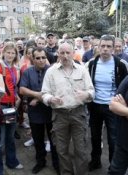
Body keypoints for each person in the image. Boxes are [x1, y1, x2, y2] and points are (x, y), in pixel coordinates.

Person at [42, 42, 95, 175]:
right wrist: (50, 99)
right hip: (59, 115)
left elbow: (92, 91)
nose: (65, 56)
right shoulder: (51, 71)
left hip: (78, 113)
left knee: (80, 149)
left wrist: (86, 94)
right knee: (62, 150)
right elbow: (44, 93)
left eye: (68, 52)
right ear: (58, 54)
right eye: (62, 53)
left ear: (73, 53)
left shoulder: (82, 70)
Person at [87, 35, 128, 172]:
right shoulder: (92, 63)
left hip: (113, 107)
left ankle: (113, 164)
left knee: (113, 138)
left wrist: (122, 104)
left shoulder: (121, 64)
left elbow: (127, 85)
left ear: (113, 48)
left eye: (108, 46)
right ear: (98, 47)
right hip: (94, 105)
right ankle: (95, 161)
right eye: (102, 46)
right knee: (94, 135)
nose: (105, 49)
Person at [20, 47, 59, 174]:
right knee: (38, 139)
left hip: (51, 111)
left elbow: (56, 90)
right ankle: (40, 162)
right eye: (38, 58)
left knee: (54, 139)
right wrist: (39, 95)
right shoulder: (27, 72)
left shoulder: (53, 71)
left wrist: (37, 99)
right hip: (35, 112)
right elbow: (22, 90)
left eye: (43, 57)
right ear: (33, 59)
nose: (41, 60)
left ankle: (56, 163)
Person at [0, 43, 23, 175]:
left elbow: (12, 86)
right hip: (0, 107)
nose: (10, 55)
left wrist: (15, 96)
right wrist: (1, 91)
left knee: (9, 136)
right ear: (4, 53)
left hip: (11, 107)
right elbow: (1, 85)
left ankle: (12, 161)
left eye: (13, 53)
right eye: (8, 52)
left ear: (16, 55)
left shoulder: (14, 68)